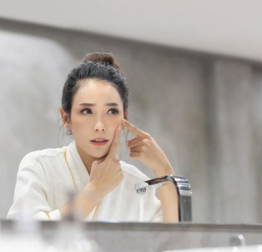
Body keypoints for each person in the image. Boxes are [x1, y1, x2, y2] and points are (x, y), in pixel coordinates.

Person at [7, 52, 178, 222]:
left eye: (111, 111)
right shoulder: (40, 166)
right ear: (66, 118)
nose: (100, 126)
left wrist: (164, 171)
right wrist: (95, 191)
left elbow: (172, 244)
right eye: (86, 111)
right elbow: (24, 240)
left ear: (124, 118)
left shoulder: (136, 182)